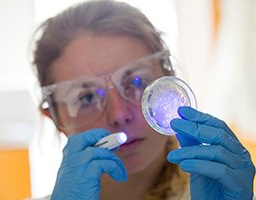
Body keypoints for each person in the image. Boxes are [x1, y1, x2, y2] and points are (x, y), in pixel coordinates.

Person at [32, 1, 255, 199]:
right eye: (86, 97)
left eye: (137, 82)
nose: (119, 114)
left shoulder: (220, 192)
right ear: (55, 118)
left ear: (168, 80)